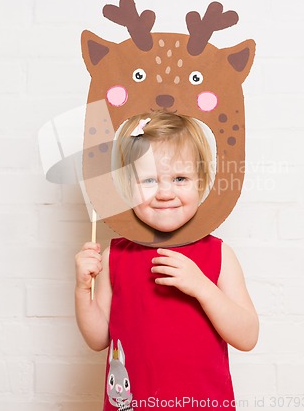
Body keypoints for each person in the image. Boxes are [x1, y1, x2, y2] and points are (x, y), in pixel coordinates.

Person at [75, 111, 259, 411]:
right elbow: (98, 339)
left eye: (180, 178)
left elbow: (248, 336)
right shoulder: (115, 256)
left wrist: (202, 287)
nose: (164, 192)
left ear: (201, 182)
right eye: (148, 180)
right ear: (127, 185)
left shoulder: (218, 254)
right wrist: (83, 289)